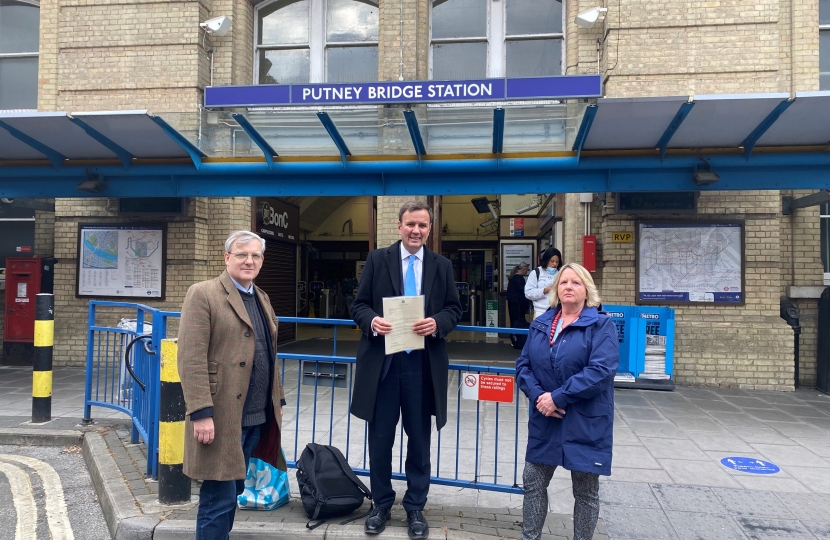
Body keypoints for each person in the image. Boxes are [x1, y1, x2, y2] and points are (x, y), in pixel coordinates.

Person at [350, 201, 462, 539]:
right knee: (380, 440)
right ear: (399, 226)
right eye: (411, 224)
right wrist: (371, 321)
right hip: (385, 364)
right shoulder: (377, 260)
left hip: (421, 365)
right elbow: (358, 305)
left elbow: (456, 308)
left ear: (430, 229)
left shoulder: (441, 265)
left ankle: (415, 506)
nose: (416, 231)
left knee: (419, 440)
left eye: (423, 226)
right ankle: (381, 504)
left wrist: (438, 322)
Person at [178, 230, 286, 540]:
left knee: (234, 488)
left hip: (255, 415)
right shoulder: (204, 293)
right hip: (221, 414)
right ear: (227, 258)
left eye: (255, 255)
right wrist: (200, 411)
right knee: (218, 496)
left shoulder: (261, 297)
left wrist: (276, 401)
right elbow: (190, 357)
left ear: (262, 260)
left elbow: (267, 351)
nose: (248, 261)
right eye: (241, 254)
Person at [515, 263, 618, 540]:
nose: (569, 287)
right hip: (545, 417)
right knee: (533, 481)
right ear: (556, 289)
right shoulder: (541, 324)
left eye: (576, 283)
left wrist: (558, 397)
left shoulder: (601, 324)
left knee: (585, 491)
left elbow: (600, 371)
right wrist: (540, 397)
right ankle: (530, 536)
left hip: (585, 419)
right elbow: (523, 367)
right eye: (563, 282)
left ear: (587, 291)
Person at [524, 247, 563, 319]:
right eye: (552, 261)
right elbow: (528, 293)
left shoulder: (560, 274)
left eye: (557, 262)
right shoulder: (536, 273)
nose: (554, 264)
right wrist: (545, 290)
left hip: (557, 312)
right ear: (546, 260)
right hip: (540, 311)